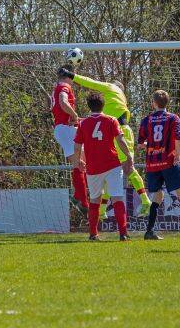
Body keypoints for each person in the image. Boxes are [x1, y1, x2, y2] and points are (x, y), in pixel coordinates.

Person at [58, 67, 152, 217]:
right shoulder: (116, 102)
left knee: (128, 168)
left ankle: (146, 201)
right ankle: (102, 210)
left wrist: (71, 75)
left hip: (120, 132)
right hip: (118, 132)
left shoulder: (111, 87)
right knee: (111, 171)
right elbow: (101, 120)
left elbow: (90, 82)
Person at [73, 92, 134, 241]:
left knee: (94, 200)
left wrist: (78, 160)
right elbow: (120, 140)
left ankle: (93, 234)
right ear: (103, 105)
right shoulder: (111, 120)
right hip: (112, 165)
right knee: (117, 198)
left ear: (89, 106)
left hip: (93, 168)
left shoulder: (83, 123)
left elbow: (77, 146)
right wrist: (128, 156)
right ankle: (123, 234)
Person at [137, 90, 180, 240]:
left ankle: (149, 231)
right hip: (169, 161)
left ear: (154, 103)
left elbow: (140, 144)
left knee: (157, 195)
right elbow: (178, 137)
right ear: (166, 103)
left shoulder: (147, 119)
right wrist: (177, 153)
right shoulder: (173, 118)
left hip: (153, 163)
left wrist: (149, 145)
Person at [51, 67, 89, 214]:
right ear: (69, 76)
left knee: (83, 162)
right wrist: (74, 114)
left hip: (65, 129)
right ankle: (83, 201)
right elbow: (62, 101)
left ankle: (77, 196)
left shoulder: (58, 86)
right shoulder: (64, 86)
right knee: (79, 164)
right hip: (65, 129)